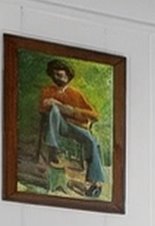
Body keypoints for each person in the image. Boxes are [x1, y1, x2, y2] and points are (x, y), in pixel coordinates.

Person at [37, 60, 106, 192]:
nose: (58, 78)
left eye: (61, 75)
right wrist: (51, 104)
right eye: (55, 75)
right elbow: (41, 108)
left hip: (74, 127)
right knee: (54, 110)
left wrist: (73, 110)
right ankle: (53, 148)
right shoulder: (47, 90)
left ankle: (94, 181)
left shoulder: (76, 93)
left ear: (68, 76)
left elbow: (95, 115)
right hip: (56, 126)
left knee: (91, 140)